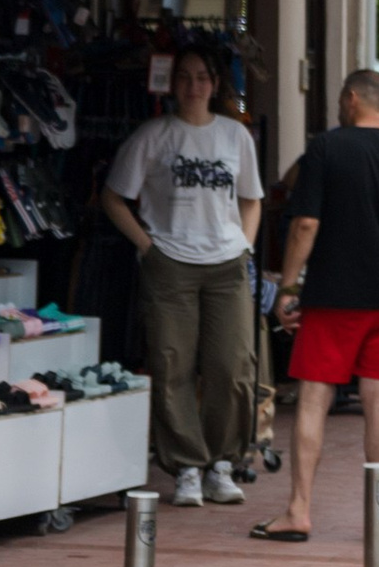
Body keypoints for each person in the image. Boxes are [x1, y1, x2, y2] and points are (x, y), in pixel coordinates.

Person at [258, 69, 379, 540]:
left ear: (352, 99)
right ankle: (378, 515)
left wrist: (289, 286)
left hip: (331, 299)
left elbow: (304, 225)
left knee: (314, 399)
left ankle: (299, 510)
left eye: (341, 99)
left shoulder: (326, 148)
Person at [102, 47, 263, 507]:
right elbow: (113, 197)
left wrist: (246, 244)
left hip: (226, 263)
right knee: (172, 364)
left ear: (216, 84)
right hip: (169, 261)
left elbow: (252, 198)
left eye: (202, 77)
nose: (194, 86)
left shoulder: (235, 136)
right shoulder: (153, 136)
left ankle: (223, 463)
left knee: (232, 366)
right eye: (185, 77)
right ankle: (187, 467)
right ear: (172, 84)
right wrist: (146, 245)